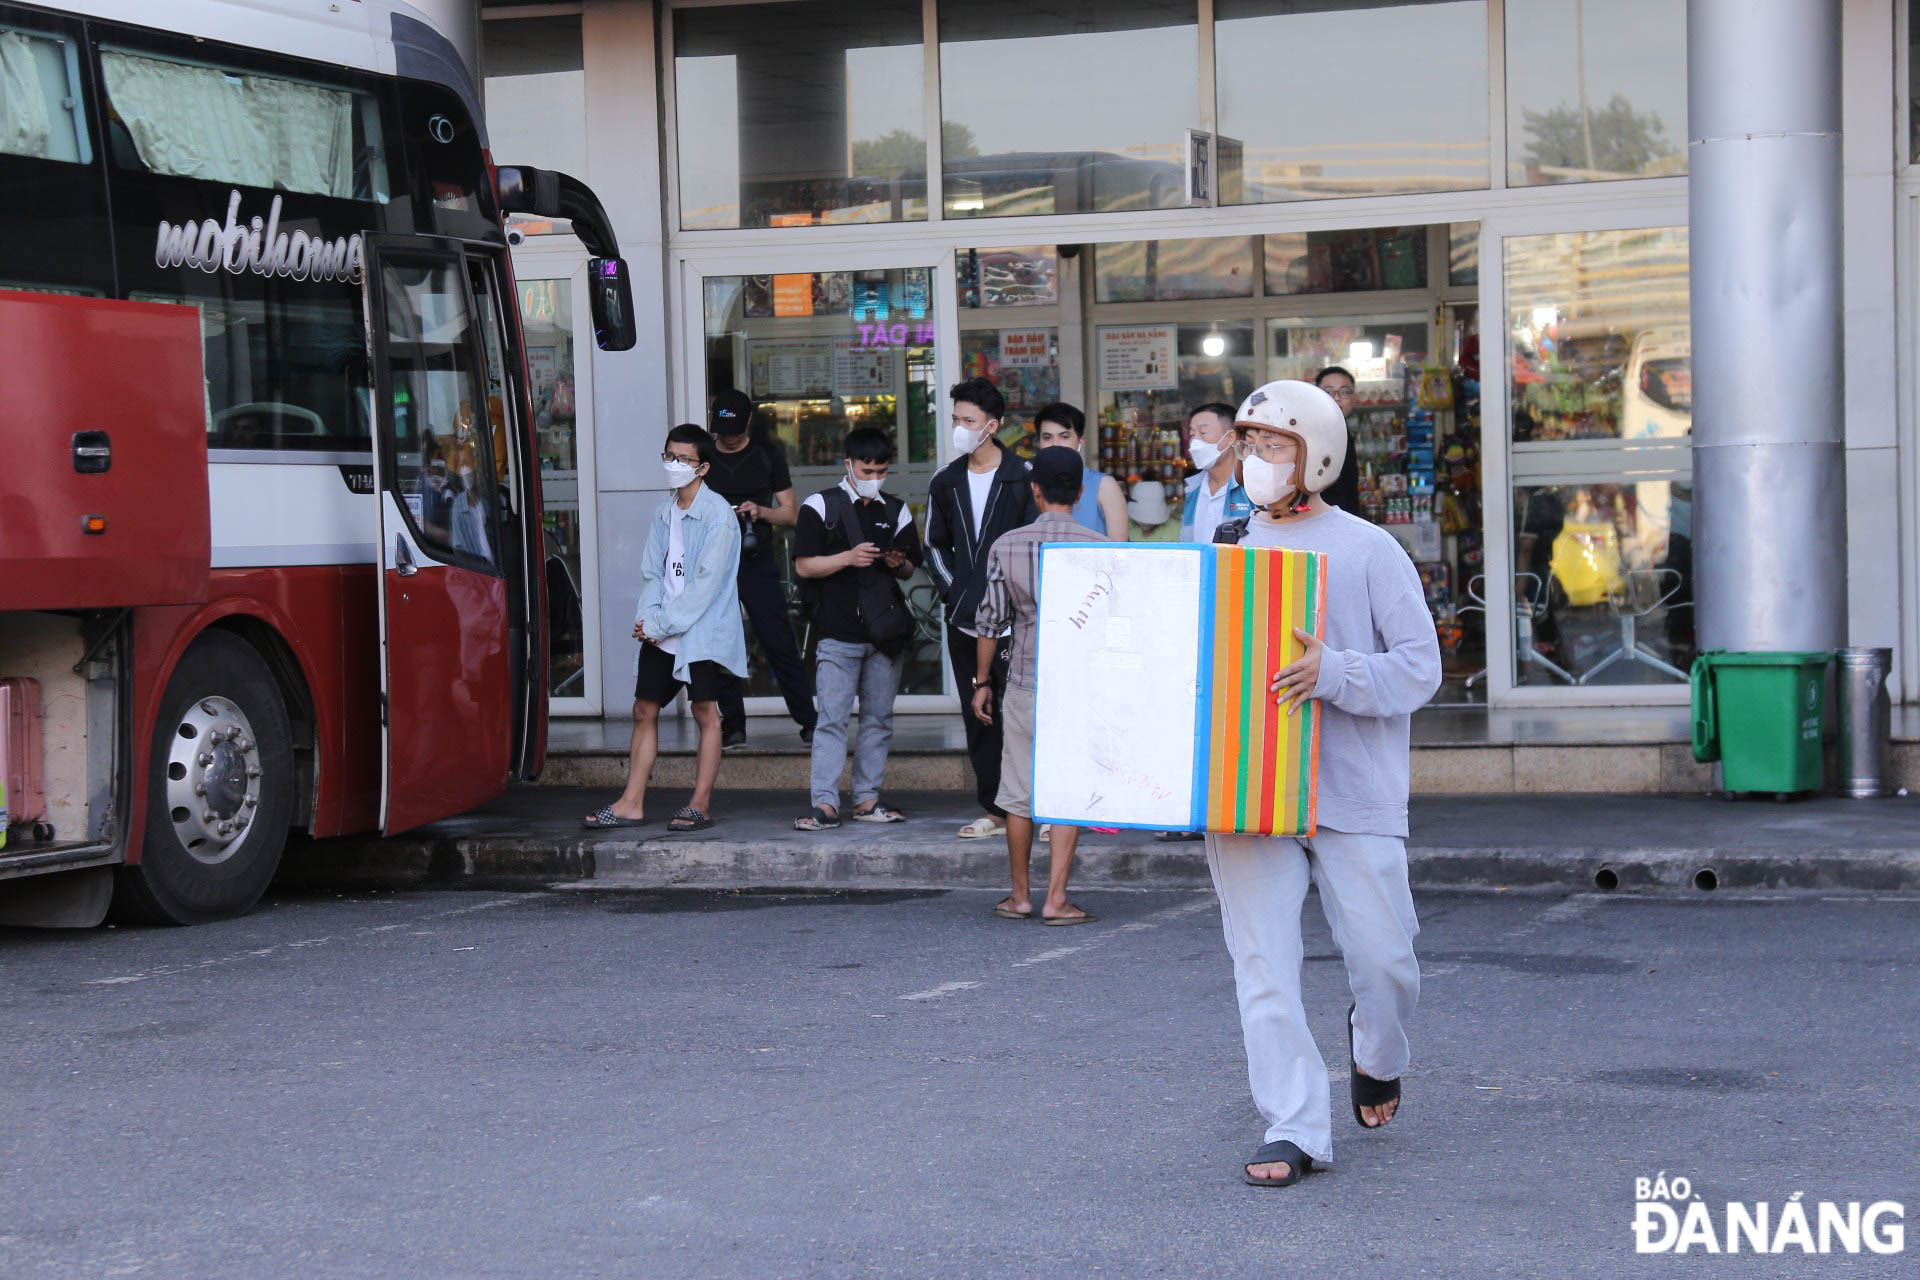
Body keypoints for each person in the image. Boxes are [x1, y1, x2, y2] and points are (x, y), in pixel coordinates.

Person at [1208, 379, 1441, 1189]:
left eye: (1274, 445)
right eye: (1248, 444)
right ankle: (1294, 1125)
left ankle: (1377, 1053)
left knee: (1386, 962)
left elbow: (1420, 669)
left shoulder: (1370, 548)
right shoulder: (1226, 545)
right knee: (1263, 963)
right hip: (1247, 793)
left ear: (1319, 454)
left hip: (1352, 789)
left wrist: (1333, 672)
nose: (1256, 460)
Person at [582, 424, 747, 835]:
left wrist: (660, 622)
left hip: (701, 631)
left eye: (683, 459)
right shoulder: (663, 511)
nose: (674, 465)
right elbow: (652, 573)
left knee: (706, 712)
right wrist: (648, 619)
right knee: (644, 710)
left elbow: (706, 586)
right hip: (664, 627)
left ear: (703, 467)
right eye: (669, 456)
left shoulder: (719, 516)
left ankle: (699, 804)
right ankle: (631, 803)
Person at [971, 447, 1102, 925]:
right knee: (1067, 790)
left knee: (1018, 792)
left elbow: (990, 622)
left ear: (1035, 490)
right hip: (1079, 686)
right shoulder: (1101, 546)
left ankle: (1021, 896)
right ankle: (1057, 899)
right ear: (1081, 492)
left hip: (1025, 681)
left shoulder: (1008, 545)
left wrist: (982, 681)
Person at [791, 426, 922, 831]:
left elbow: (910, 569)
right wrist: (848, 558)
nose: (874, 477)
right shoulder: (820, 506)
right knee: (831, 719)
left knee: (878, 718)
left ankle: (867, 799)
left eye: (881, 470)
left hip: (883, 635)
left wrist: (896, 561)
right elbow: (804, 566)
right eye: (867, 470)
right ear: (847, 465)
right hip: (836, 630)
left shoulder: (896, 510)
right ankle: (825, 805)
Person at [925, 377, 1037, 841]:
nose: (960, 428)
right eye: (956, 420)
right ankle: (994, 809)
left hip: (1020, 623)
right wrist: (958, 594)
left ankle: (1035, 809)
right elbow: (933, 546)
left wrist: (1013, 600)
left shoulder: (1022, 477)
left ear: (993, 425)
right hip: (964, 620)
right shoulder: (946, 481)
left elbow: (1034, 545)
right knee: (980, 715)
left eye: (968, 421)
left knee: (1025, 713)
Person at [704, 388, 818, 751]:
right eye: (723, 431)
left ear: (749, 421)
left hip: (756, 561)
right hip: (714, 563)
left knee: (778, 640)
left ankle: (809, 721)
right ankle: (732, 726)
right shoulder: (704, 456)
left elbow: (791, 512)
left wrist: (759, 512)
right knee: (721, 644)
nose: (730, 437)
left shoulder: (767, 455)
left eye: (736, 430)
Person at [1033, 402, 1126, 540]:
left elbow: (1119, 552)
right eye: (1047, 438)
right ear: (1039, 443)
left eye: (1064, 437)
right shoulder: (1030, 484)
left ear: (1080, 442)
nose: (1055, 444)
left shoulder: (1104, 485)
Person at [1180, 402, 1252, 541]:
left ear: (1230, 437)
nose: (1195, 442)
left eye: (1203, 433)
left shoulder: (1251, 488)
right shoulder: (1192, 489)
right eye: (1192, 434)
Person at [1313, 366, 1361, 514]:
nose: (1337, 397)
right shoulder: (1312, 435)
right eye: (1328, 392)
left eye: (1344, 392)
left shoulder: (1345, 434)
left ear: (1354, 398)